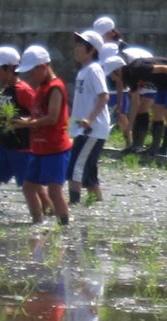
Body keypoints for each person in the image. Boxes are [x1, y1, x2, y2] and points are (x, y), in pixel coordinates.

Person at [11, 45, 72, 225]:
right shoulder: (40, 88)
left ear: (42, 67)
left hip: (55, 148)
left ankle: (64, 225)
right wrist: (26, 119)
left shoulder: (55, 88)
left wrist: (27, 123)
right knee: (28, 187)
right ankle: (37, 222)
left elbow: (52, 118)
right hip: (39, 148)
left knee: (54, 190)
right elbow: (38, 115)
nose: (30, 77)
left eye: (32, 72)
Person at [0, 46, 39, 216]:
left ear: (10, 68)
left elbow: (40, 116)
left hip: (22, 149)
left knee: (33, 189)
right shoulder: (6, 90)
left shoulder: (24, 91)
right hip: (5, 148)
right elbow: (3, 118)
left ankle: (50, 217)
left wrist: (25, 122)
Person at [116, 54, 167, 155]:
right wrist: (129, 126)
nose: (114, 78)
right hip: (162, 83)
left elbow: (165, 68)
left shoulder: (139, 68)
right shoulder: (130, 77)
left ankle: (163, 149)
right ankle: (154, 147)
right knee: (157, 112)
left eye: (114, 75)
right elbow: (135, 103)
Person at [67, 31, 110, 206]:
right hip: (84, 127)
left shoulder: (94, 69)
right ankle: (99, 207)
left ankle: (72, 207)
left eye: (81, 45)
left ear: (92, 50)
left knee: (74, 168)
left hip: (92, 128)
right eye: (76, 45)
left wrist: (90, 120)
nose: (76, 49)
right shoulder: (84, 71)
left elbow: (104, 96)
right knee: (89, 173)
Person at [100, 43, 131, 151]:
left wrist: (120, 101)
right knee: (105, 116)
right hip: (109, 92)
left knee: (121, 116)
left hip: (120, 92)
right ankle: (100, 140)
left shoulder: (116, 62)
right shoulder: (105, 62)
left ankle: (129, 141)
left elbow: (119, 82)